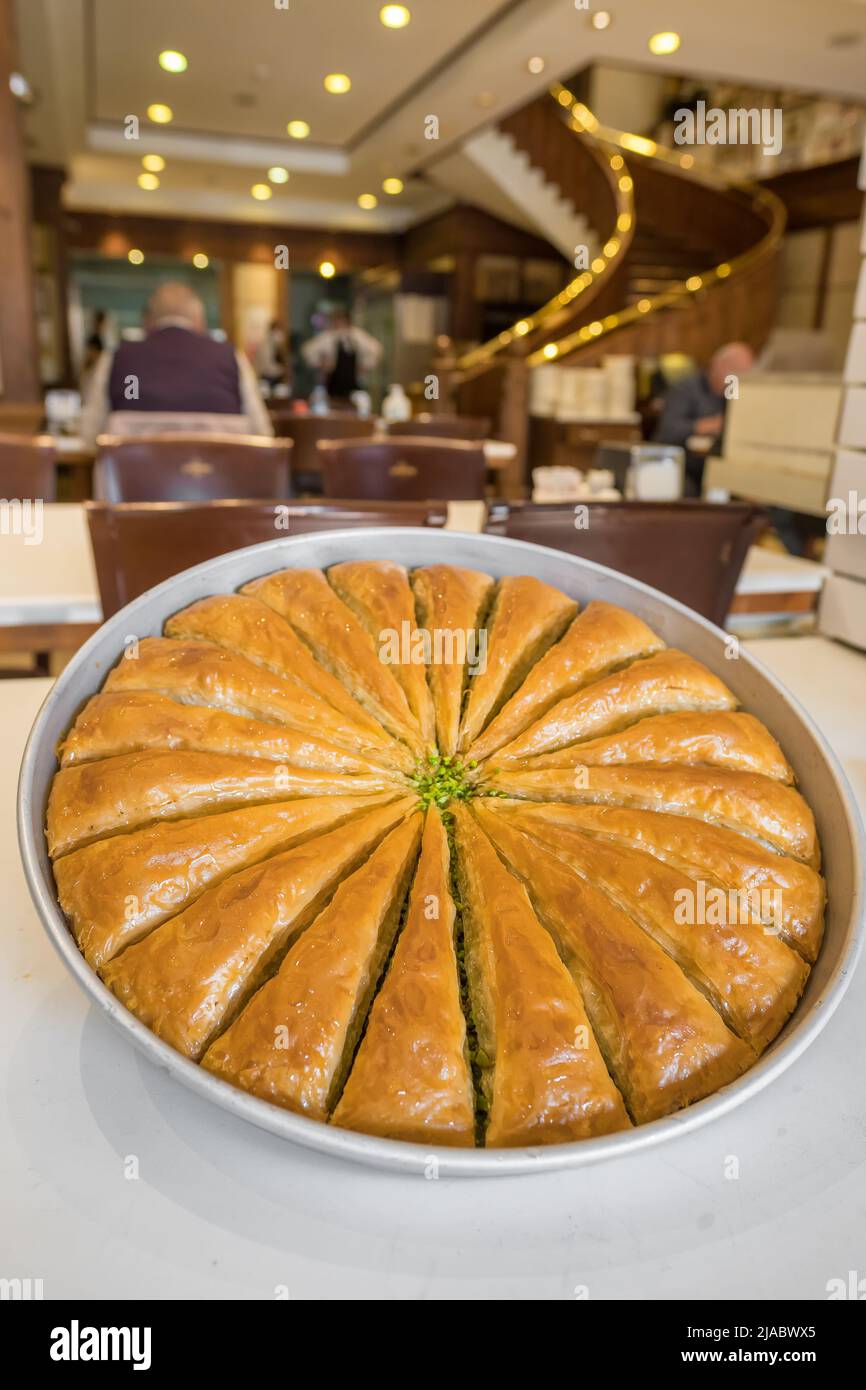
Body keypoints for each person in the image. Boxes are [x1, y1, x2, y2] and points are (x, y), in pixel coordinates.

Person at [80, 282, 273, 445]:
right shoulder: (232, 358)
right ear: (199, 321)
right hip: (223, 486)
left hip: (135, 487)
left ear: (147, 321)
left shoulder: (117, 358)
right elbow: (262, 434)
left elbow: (89, 436)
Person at [654, 342, 754, 494]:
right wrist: (708, 426)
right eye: (738, 373)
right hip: (682, 467)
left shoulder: (734, 395)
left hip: (717, 468)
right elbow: (668, 430)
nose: (740, 381)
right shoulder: (685, 389)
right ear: (721, 366)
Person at [301, 308, 382, 403]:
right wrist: (320, 363)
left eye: (341, 321)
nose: (339, 324)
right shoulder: (328, 336)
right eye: (337, 321)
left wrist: (365, 366)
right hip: (333, 382)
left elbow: (376, 349)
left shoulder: (357, 336)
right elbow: (307, 351)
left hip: (352, 382)